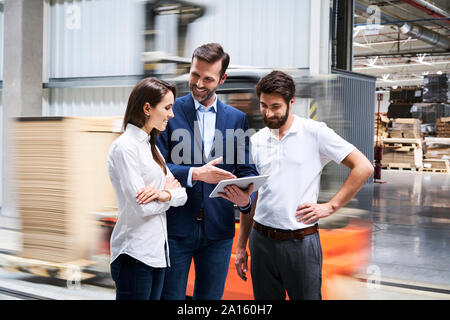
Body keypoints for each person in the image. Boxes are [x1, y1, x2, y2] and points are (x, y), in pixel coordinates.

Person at [229, 70, 374, 300]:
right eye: (263, 106)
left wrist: (330, 206)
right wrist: (241, 247)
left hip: (300, 243)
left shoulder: (315, 133)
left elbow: (363, 166)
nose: (268, 113)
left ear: (291, 102)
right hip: (261, 242)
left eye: (275, 106)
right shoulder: (256, 142)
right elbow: (251, 198)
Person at [157, 43, 258, 300]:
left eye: (208, 78)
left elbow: (246, 169)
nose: (199, 84)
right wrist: (195, 174)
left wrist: (246, 200)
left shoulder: (236, 119)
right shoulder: (169, 112)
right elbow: (156, 165)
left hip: (219, 232)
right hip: (175, 228)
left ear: (222, 79)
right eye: (194, 75)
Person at [107, 77, 187, 300]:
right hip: (134, 254)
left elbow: (183, 195)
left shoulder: (152, 148)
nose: (172, 114)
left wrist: (163, 194)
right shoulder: (125, 148)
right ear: (147, 108)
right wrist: (168, 195)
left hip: (156, 253)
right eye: (168, 108)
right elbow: (141, 207)